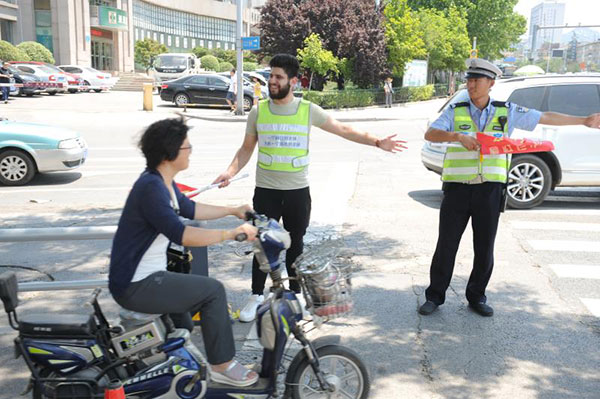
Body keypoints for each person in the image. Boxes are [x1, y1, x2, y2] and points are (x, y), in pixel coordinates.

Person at [213, 53, 408, 322]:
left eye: (278, 77)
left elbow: (343, 130)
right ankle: (257, 295)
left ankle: (294, 295)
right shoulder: (259, 111)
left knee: (295, 245)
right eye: (271, 76)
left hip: (297, 192)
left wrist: (377, 141)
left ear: (293, 81)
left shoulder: (307, 111)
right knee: (262, 243)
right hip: (266, 191)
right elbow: (246, 149)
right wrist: (230, 171)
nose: (272, 81)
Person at [419, 58, 600, 317]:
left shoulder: (507, 111)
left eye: (476, 80)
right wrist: (457, 136)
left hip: (490, 190)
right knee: (446, 245)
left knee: (484, 247)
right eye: (469, 80)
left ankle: (477, 296)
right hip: (457, 189)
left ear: (490, 83)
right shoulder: (456, 109)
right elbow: (431, 134)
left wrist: (583, 120)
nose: (471, 84)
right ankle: (434, 296)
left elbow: (544, 117)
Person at [109, 118, 259, 387]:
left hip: (146, 277)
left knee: (184, 327)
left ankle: (170, 377)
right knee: (213, 292)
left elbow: (190, 209)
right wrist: (231, 234)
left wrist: (232, 209)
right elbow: (183, 234)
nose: (191, 151)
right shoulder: (151, 189)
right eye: (187, 147)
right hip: (136, 284)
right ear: (170, 153)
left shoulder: (161, 182)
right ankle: (222, 366)